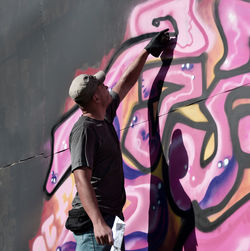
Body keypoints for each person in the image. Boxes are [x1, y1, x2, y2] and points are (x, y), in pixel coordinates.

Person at [66, 29, 171, 251]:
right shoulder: (84, 130)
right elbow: (81, 178)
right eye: (102, 86)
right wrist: (97, 223)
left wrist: (147, 50)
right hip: (95, 225)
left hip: (114, 218)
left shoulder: (103, 115)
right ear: (95, 97)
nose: (106, 86)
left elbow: (125, 82)